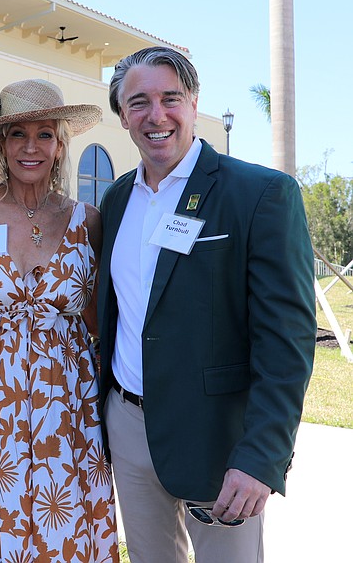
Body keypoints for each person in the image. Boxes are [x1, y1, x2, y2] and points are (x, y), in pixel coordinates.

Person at [97, 46, 316, 563]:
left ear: (194, 104)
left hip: (220, 438)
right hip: (129, 429)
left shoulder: (260, 194)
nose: (157, 116)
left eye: (170, 98)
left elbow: (287, 343)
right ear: (123, 115)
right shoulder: (116, 200)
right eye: (139, 102)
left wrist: (263, 457)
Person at [0, 79, 118, 562]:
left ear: (61, 144)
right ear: (1, 143)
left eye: (45, 134)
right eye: (18, 133)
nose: (31, 147)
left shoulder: (90, 221)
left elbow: (96, 321)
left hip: (65, 415)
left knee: (63, 535)